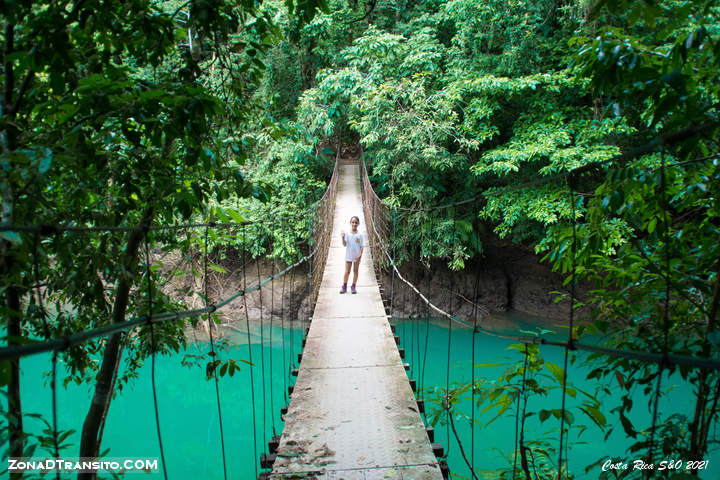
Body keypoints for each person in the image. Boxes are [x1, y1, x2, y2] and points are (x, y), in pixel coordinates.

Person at [340, 216, 364, 294]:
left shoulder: (360, 235)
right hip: (348, 255)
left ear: (358, 224)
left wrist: (360, 256)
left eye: (356, 222)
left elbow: (361, 246)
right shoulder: (347, 234)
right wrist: (343, 238)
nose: (354, 224)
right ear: (350, 223)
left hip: (357, 256)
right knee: (347, 271)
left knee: (355, 271)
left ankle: (353, 286)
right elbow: (344, 244)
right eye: (353, 222)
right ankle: (344, 286)